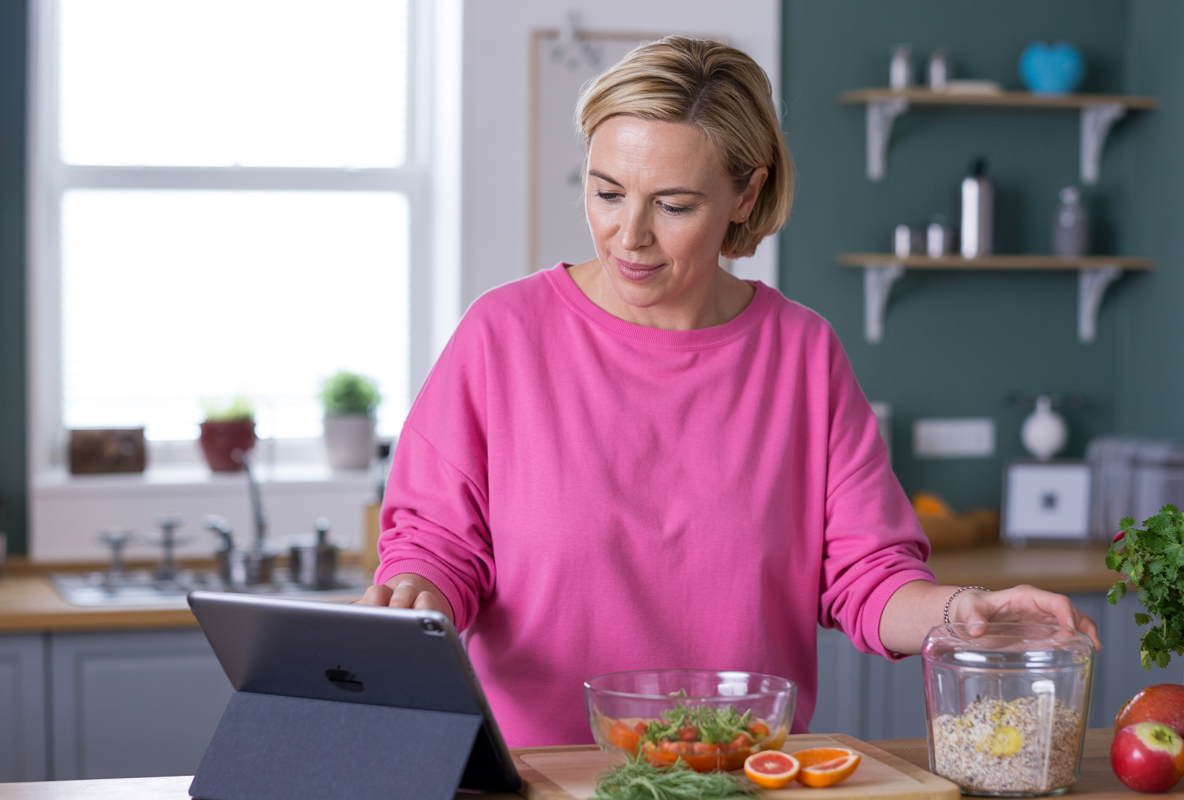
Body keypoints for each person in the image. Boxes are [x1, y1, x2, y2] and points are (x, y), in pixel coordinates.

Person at [358, 36, 1100, 747]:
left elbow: (868, 578)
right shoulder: (503, 335)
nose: (629, 236)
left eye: (674, 205)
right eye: (607, 192)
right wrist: (420, 592)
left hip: (740, 773)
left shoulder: (801, 354)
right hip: (541, 775)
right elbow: (438, 547)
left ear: (746, 194)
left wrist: (962, 611)